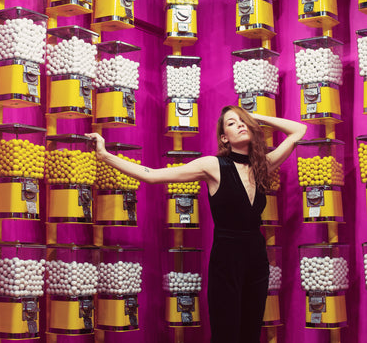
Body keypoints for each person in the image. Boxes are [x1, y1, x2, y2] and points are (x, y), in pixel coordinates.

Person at [85, 105, 307, 343]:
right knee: (226, 333)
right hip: (226, 260)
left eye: (242, 121)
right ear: (224, 138)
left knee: (250, 333)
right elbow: (151, 175)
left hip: (257, 260)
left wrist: (254, 117)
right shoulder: (213, 165)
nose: (240, 125)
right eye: (232, 123)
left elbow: (299, 130)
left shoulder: (263, 165)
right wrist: (105, 155)